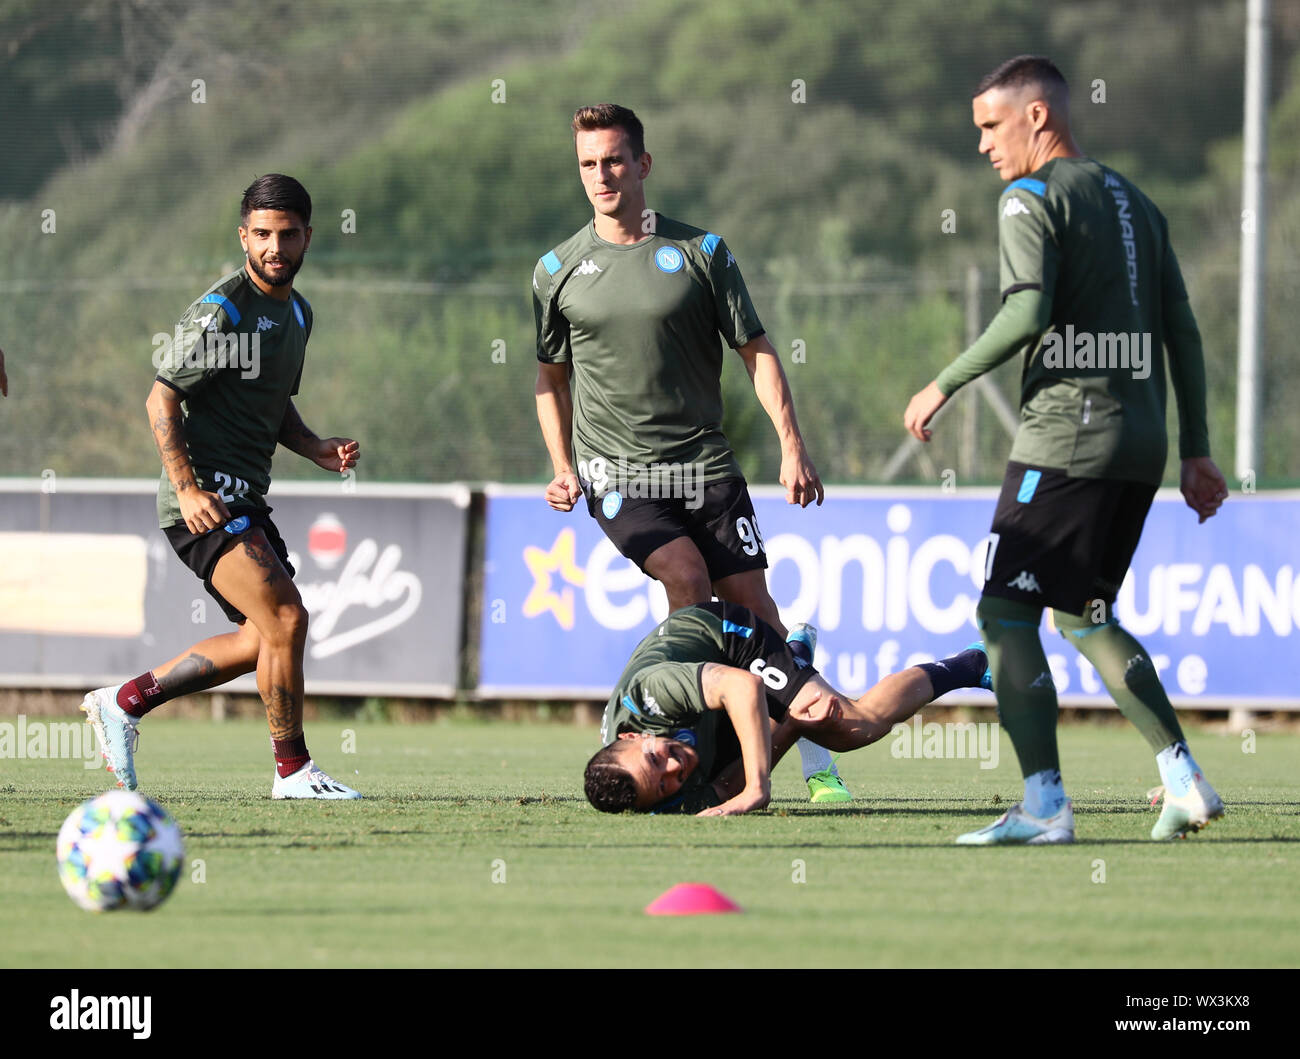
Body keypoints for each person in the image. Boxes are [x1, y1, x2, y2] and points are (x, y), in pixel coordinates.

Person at [902, 56, 1229, 844]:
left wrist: (939, 384)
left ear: (1036, 118)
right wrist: (1197, 450)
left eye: (990, 125)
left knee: (1003, 613)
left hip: (1066, 438)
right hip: (1139, 442)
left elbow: (1024, 314)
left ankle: (1045, 805)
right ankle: (1184, 779)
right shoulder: (1138, 202)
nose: (983, 145)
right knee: (1085, 615)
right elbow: (1181, 331)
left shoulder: (1030, 196)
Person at [534, 103, 849, 803]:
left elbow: (757, 352)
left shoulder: (704, 252)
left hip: (704, 465)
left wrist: (792, 446)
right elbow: (550, 379)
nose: (601, 174)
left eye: (614, 159)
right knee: (683, 576)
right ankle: (705, 762)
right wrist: (562, 466)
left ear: (643, 164)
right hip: (617, 472)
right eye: (588, 163)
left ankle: (813, 756)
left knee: (753, 611)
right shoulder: (556, 270)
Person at [81, 174, 361, 800]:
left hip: (246, 499)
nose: (274, 247)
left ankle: (124, 702)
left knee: (262, 637)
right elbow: (160, 400)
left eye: (288, 235)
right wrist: (185, 489)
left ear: (308, 238)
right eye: (262, 234)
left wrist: (314, 446)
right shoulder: (223, 310)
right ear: (244, 236)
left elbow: (274, 404)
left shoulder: (299, 313)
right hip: (203, 501)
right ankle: (293, 772)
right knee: (288, 618)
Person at [584, 601, 992, 815]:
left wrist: (758, 790)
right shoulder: (654, 798)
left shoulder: (650, 693)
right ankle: (795, 656)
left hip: (727, 642)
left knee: (853, 728)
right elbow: (729, 788)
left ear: (632, 736)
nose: (673, 769)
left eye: (655, 759)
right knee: (789, 723)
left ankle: (974, 663)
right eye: (663, 785)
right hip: (711, 708)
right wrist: (792, 725)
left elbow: (743, 687)